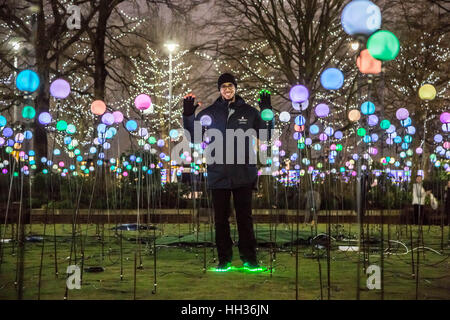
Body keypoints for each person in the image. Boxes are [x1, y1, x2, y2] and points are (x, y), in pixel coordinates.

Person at [182, 73, 272, 271]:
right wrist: (188, 116)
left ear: (236, 88)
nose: (227, 89)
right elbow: (194, 137)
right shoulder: (210, 113)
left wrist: (266, 111)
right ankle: (224, 259)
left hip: (243, 173)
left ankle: (250, 259)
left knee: (244, 219)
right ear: (219, 89)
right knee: (220, 220)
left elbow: (266, 134)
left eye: (230, 85)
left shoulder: (249, 112)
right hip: (218, 173)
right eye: (223, 86)